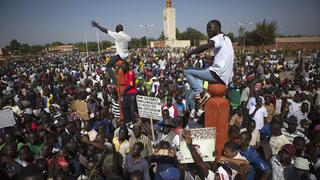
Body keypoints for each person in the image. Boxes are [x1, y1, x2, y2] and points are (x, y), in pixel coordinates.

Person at [184, 19, 234, 107]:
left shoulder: (218, 37)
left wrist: (189, 53)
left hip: (216, 74)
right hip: (224, 78)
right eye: (207, 29)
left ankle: (202, 93)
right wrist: (205, 57)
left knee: (187, 71)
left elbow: (206, 46)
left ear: (217, 28)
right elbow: (218, 58)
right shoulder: (227, 39)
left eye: (210, 28)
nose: (207, 30)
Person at [91, 20, 131, 84]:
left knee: (108, 66)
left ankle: (115, 81)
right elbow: (129, 47)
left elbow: (105, 30)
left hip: (120, 56)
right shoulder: (128, 37)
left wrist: (97, 25)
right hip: (127, 56)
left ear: (117, 30)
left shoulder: (117, 35)